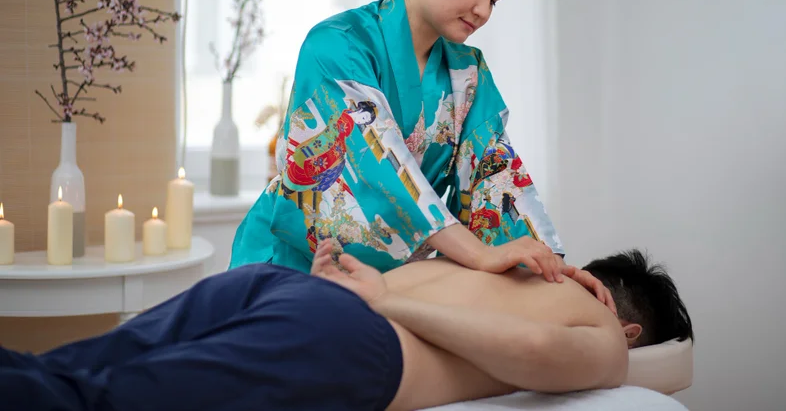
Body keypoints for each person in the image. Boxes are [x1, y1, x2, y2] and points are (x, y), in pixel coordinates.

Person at [229, 0, 614, 310]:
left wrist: (552, 268)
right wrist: (480, 255)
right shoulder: (338, 44)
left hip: (392, 287)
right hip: (293, 266)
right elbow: (377, 165)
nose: (483, 11)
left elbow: (495, 172)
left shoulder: (467, 71)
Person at [0, 237, 693, 411]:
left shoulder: (517, 265)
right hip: (351, 336)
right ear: (634, 329)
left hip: (284, 286)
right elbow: (536, 349)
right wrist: (387, 305)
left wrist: (378, 295)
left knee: (64, 371)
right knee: (95, 400)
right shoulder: (606, 336)